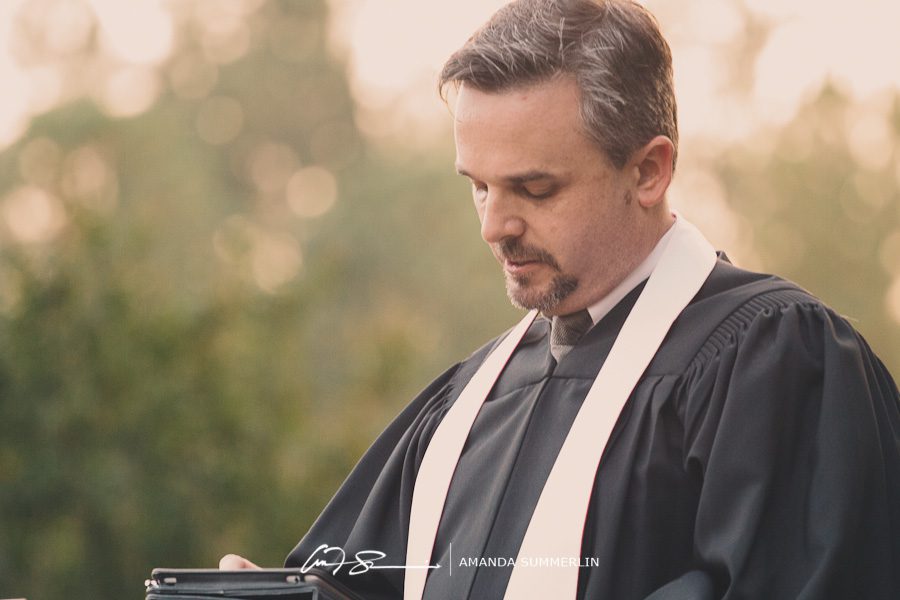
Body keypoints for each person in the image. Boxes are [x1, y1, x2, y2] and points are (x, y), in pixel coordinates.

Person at [220, 0, 900, 598]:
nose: (494, 227)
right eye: (479, 187)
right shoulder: (467, 404)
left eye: (535, 190)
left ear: (648, 170)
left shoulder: (776, 363)